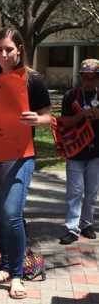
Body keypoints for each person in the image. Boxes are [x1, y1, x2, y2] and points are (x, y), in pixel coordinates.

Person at [0, 28, 51, 300]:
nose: (3, 55)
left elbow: (49, 118)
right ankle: (6, 264)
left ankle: (16, 274)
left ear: (19, 50)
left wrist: (35, 120)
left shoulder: (32, 81)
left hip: (21, 156)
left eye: (8, 50)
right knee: (0, 215)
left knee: (12, 213)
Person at [59, 58, 99, 245]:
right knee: (75, 191)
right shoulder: (71, 96)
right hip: (75, 150)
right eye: (86, 77)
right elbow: (64, 123)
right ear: (81, 77)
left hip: (96, 152)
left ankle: (87, 224)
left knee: (91, 191)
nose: (89, 81)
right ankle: (71, 228)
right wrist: (82, 115)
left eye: (93, 77)